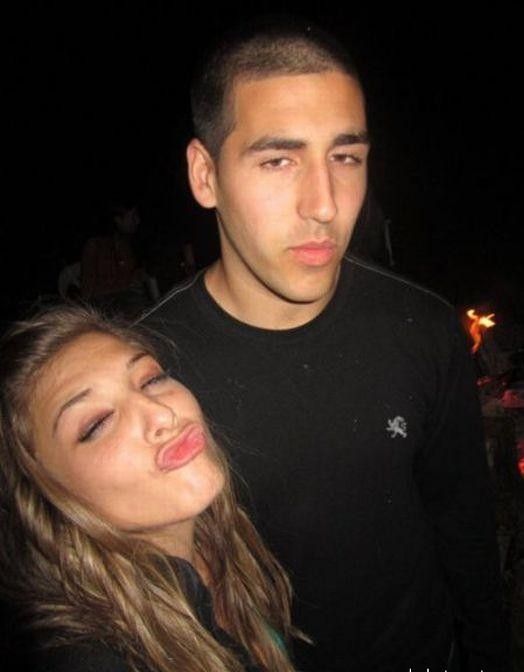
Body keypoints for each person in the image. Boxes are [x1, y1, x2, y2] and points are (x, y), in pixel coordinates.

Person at [142, 18, 508, 672]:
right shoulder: (150, 374)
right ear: (205, 174)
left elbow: (466, 531)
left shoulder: (420, 327)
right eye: (278, 160)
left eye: (345, 157)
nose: (325, 205)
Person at [0, 305, 298, 672]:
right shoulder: (93, 659)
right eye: (97, 423)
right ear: (45, 497)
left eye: (151, 379)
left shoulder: (217, 540)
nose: (162, 414)